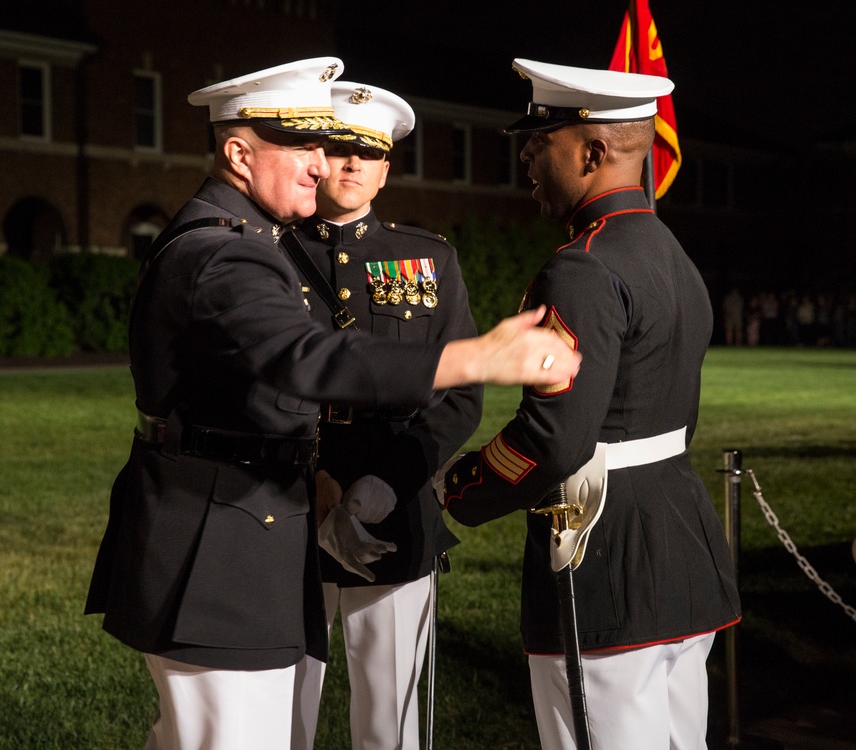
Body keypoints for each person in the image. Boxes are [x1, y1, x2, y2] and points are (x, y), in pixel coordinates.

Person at [83, 57, 581, 750]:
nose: (324, 165)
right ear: (237, 152)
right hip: (221, 546)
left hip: (246, 528)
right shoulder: (228, 255)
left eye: (340, 148)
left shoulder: (247, 241)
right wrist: (478, 357)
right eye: (305, 146)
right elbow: (308, 358)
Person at [441, 60, 742, 750]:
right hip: (679, 544)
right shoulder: (670, 251)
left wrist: (451, 494)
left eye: (539, 142)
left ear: (592, 152)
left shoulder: (582, 267)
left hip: (602, 557)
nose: (525, 156)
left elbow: (555, 440)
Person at [289, 82, 481, 749]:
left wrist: (383, 487)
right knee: (280, 719)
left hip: (393, 515)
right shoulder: (270, 251)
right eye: (338, 150)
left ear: (385, 167)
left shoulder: (429, 259)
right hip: (287, 507)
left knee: (389, 727)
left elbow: (459, 397)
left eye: (366, 153)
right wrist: (314, 482)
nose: (350, 165)